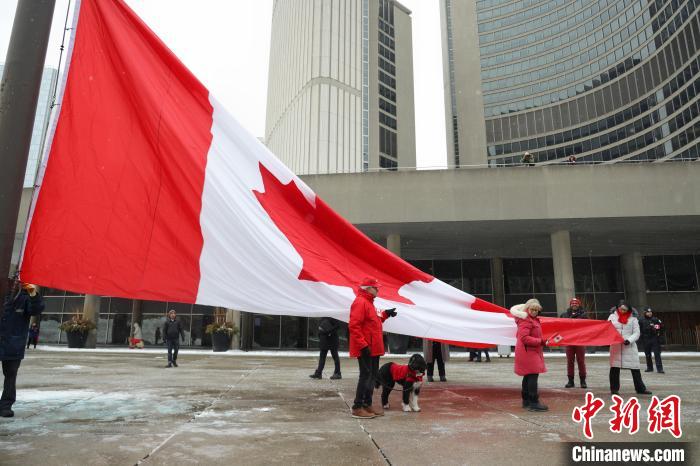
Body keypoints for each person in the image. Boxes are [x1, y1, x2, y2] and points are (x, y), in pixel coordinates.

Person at [348, 277, 397, 419]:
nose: (377, 289)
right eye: (375, 287)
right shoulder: (360, 302)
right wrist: (363, 346)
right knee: (365, 376)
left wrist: (386, 314)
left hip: (373, 348)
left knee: (372, 376)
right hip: (366, 348)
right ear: (367, 288)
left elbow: (374, 320)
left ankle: (366, 404)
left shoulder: (369, 303)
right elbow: (354, 326)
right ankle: (357, 407)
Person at [1, 278, 44, 417]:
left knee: (10, 375)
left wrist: (33, 293)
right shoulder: (3, 297)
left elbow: (36, 309)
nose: (13, 283)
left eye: (16, 281)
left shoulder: (24, 298)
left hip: (13, 344)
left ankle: (5, 405)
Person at [510, 299, 548, 412]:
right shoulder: (526, 321)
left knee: (528, 376)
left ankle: (526, 401)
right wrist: (541, 341)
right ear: (527, 309)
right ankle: (533, 402)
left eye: (537, 310)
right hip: (528, 352)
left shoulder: (531, 320)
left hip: (529, 351)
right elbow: (524, 338)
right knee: (532, 376)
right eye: (532, 309)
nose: (535, 311)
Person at [608, 301, 651, 395]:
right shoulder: (612, 317)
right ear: (618, 308)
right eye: (621, 309)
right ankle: (614, 389)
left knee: (635, 368)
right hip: (616, 346)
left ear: (629, 310)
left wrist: (629, 340)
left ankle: (640, 388)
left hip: (629, 347)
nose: (622, 311)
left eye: (625, 310)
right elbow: (608, 329)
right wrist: (613, 338)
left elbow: (637, 333)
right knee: (614, 368)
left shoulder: (633, 319)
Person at [563, 297, 587, 388]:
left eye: (576, 303)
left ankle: (583, 381)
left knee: (581, 361)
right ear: (570, 305)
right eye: (572, 303)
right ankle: (570, 381)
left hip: (580, 341)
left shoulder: (584, 315)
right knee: (570, 361)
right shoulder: (564, 315)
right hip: (569, 341)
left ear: (579, 304)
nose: (574, 304)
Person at [639, 306, 664, 374]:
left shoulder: (655, 319)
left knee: (657, 354)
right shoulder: (641, 320)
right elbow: (639, 330)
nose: (649, 313)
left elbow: (661, 327)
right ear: (645, 313)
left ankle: (660, 369)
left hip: (654, 338)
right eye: (648, 312)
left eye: (650, 312)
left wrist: (655, 328)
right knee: (647, 354)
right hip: (646, 338)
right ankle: (649, 367)